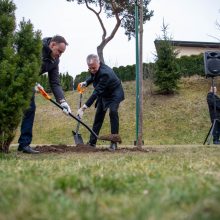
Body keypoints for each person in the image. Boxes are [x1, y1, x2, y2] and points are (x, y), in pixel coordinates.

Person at [18, 35, 71, 153]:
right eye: (59, 51)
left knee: (30, 109)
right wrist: (30, 79)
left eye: (62, 53)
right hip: (15, 78)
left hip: (29, 83)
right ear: (52, 45)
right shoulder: (36, 48)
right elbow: (20, 63)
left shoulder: (55, 60)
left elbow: (55, 82)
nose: (60, 54)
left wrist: (63, 101)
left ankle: (24, 144)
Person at [77, 54, 125, 150]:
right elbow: (94, 76)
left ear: (98, 62)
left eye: (94, 67)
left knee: (113, 112)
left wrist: (84, 107)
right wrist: (86, 82)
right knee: (98, 116)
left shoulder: (105, 73)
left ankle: (114, 143)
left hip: (115, 93)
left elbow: (96, 92)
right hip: (104, 94)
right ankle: (92, 142)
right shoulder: (94, 68)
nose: (92, 70)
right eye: (90, 68)